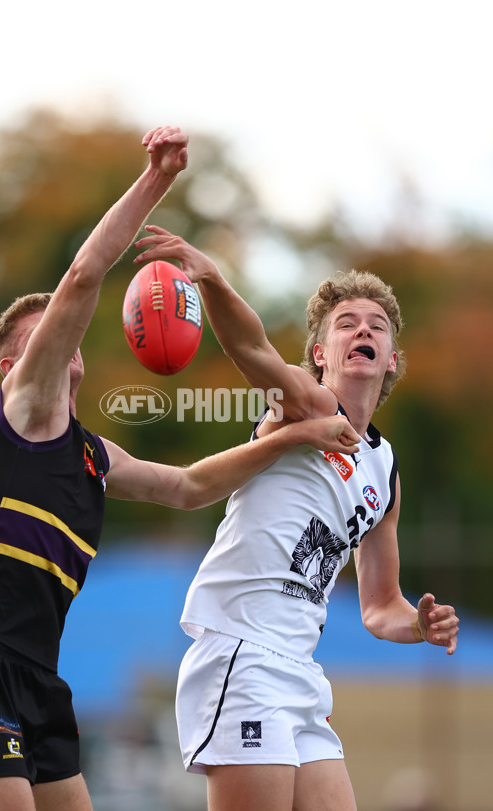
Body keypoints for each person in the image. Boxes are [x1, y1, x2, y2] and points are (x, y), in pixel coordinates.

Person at [0, 126, 363, 811]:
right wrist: (157, 179)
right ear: (12, 365)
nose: (64, 336)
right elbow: (84, 277)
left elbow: (189, 486)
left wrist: (293, 435)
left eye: (64, 335)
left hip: (38, 675)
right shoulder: (21, 407)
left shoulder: (91, 453)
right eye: (43, 333)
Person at [133, 224, 460, 811]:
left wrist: (420, 626)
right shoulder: (309, 405)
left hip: (299, 672)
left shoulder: (384, 471)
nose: (364, 329)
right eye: (346, 323)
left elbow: (379, 605)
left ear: (389, 361)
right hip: (242, 649)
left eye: (377, 327)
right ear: (320, 355)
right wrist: (210, 279)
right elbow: (252, 349)